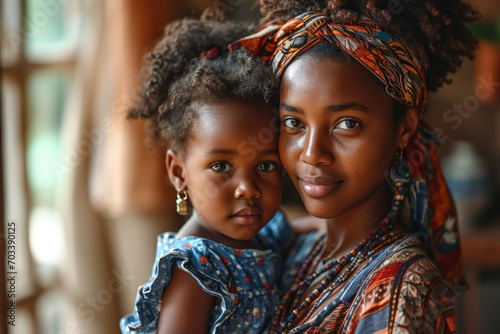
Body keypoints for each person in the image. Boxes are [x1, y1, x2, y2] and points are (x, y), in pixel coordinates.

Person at [230, 0, 480, 332]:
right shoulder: (296, 251)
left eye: (347, 123)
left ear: (403, 128)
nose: (312, 153)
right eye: (294, 122)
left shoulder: (402, 291)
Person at [120, 12, 292, 334]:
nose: (247, 188)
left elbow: (305, 229)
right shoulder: (194, 268)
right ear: (178, 172)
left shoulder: (262, 235)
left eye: (266, 166)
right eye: (221, 167)